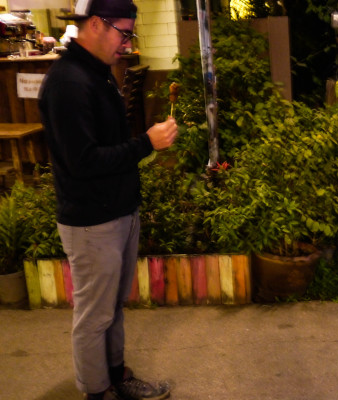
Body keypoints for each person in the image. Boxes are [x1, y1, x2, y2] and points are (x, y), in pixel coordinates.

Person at [38, 0, 177, 399]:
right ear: (96, 24)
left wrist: (140, 146)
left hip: (117, 210)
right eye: (125, 32)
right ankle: (96, 392)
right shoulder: (68, 82)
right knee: (94, 316)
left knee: (112, 308)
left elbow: (110, 143)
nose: (128, 43)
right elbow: (82, 162)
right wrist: (145, 144)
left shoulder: (97, 73)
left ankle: (117, 377)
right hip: (91, 220)